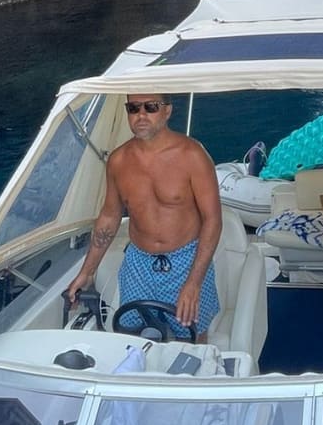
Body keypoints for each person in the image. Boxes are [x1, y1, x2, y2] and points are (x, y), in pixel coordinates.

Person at [65, 93, 222, 339]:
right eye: (133, 108)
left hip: (185, 261)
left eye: (151, 107)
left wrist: (193, 283)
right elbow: (109, 216)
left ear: (167, 111)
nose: (141, 115)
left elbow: (213, 220)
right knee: (132, 334)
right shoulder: (118, 161)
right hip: (138, 263)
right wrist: (87, 272)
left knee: (191, 336)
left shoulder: (193, 155)